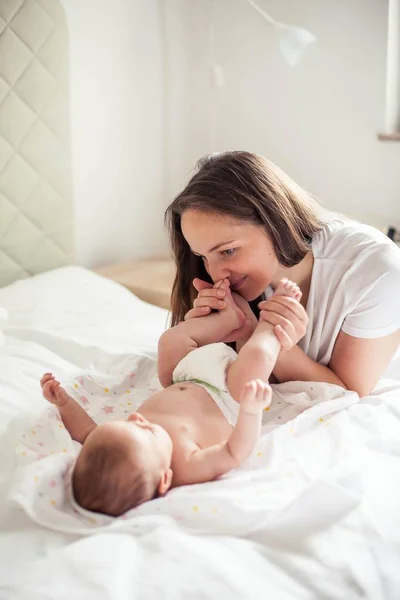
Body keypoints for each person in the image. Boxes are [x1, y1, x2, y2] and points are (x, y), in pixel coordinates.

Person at [40, 278, 301, 517]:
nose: (136, 418)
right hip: (229, 396)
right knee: (257, 358)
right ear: (165, 480)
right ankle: (271, 321)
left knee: (170, 340)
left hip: (184, 376)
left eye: (129, 423)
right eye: (148, 430)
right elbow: (235, 451)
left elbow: (85, 431)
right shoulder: (187, 467)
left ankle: (229, 321)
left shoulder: (119, 443)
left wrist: (64, 402)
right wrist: (251, 411)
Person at [165, 151, 400, 398]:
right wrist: (205, 336)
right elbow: (235, 385)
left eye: (228, 251)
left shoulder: (377, 271)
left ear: (274, 220)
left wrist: (266, 336)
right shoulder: (246, 281)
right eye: (203, 256)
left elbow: (347, 395)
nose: (215, 274)